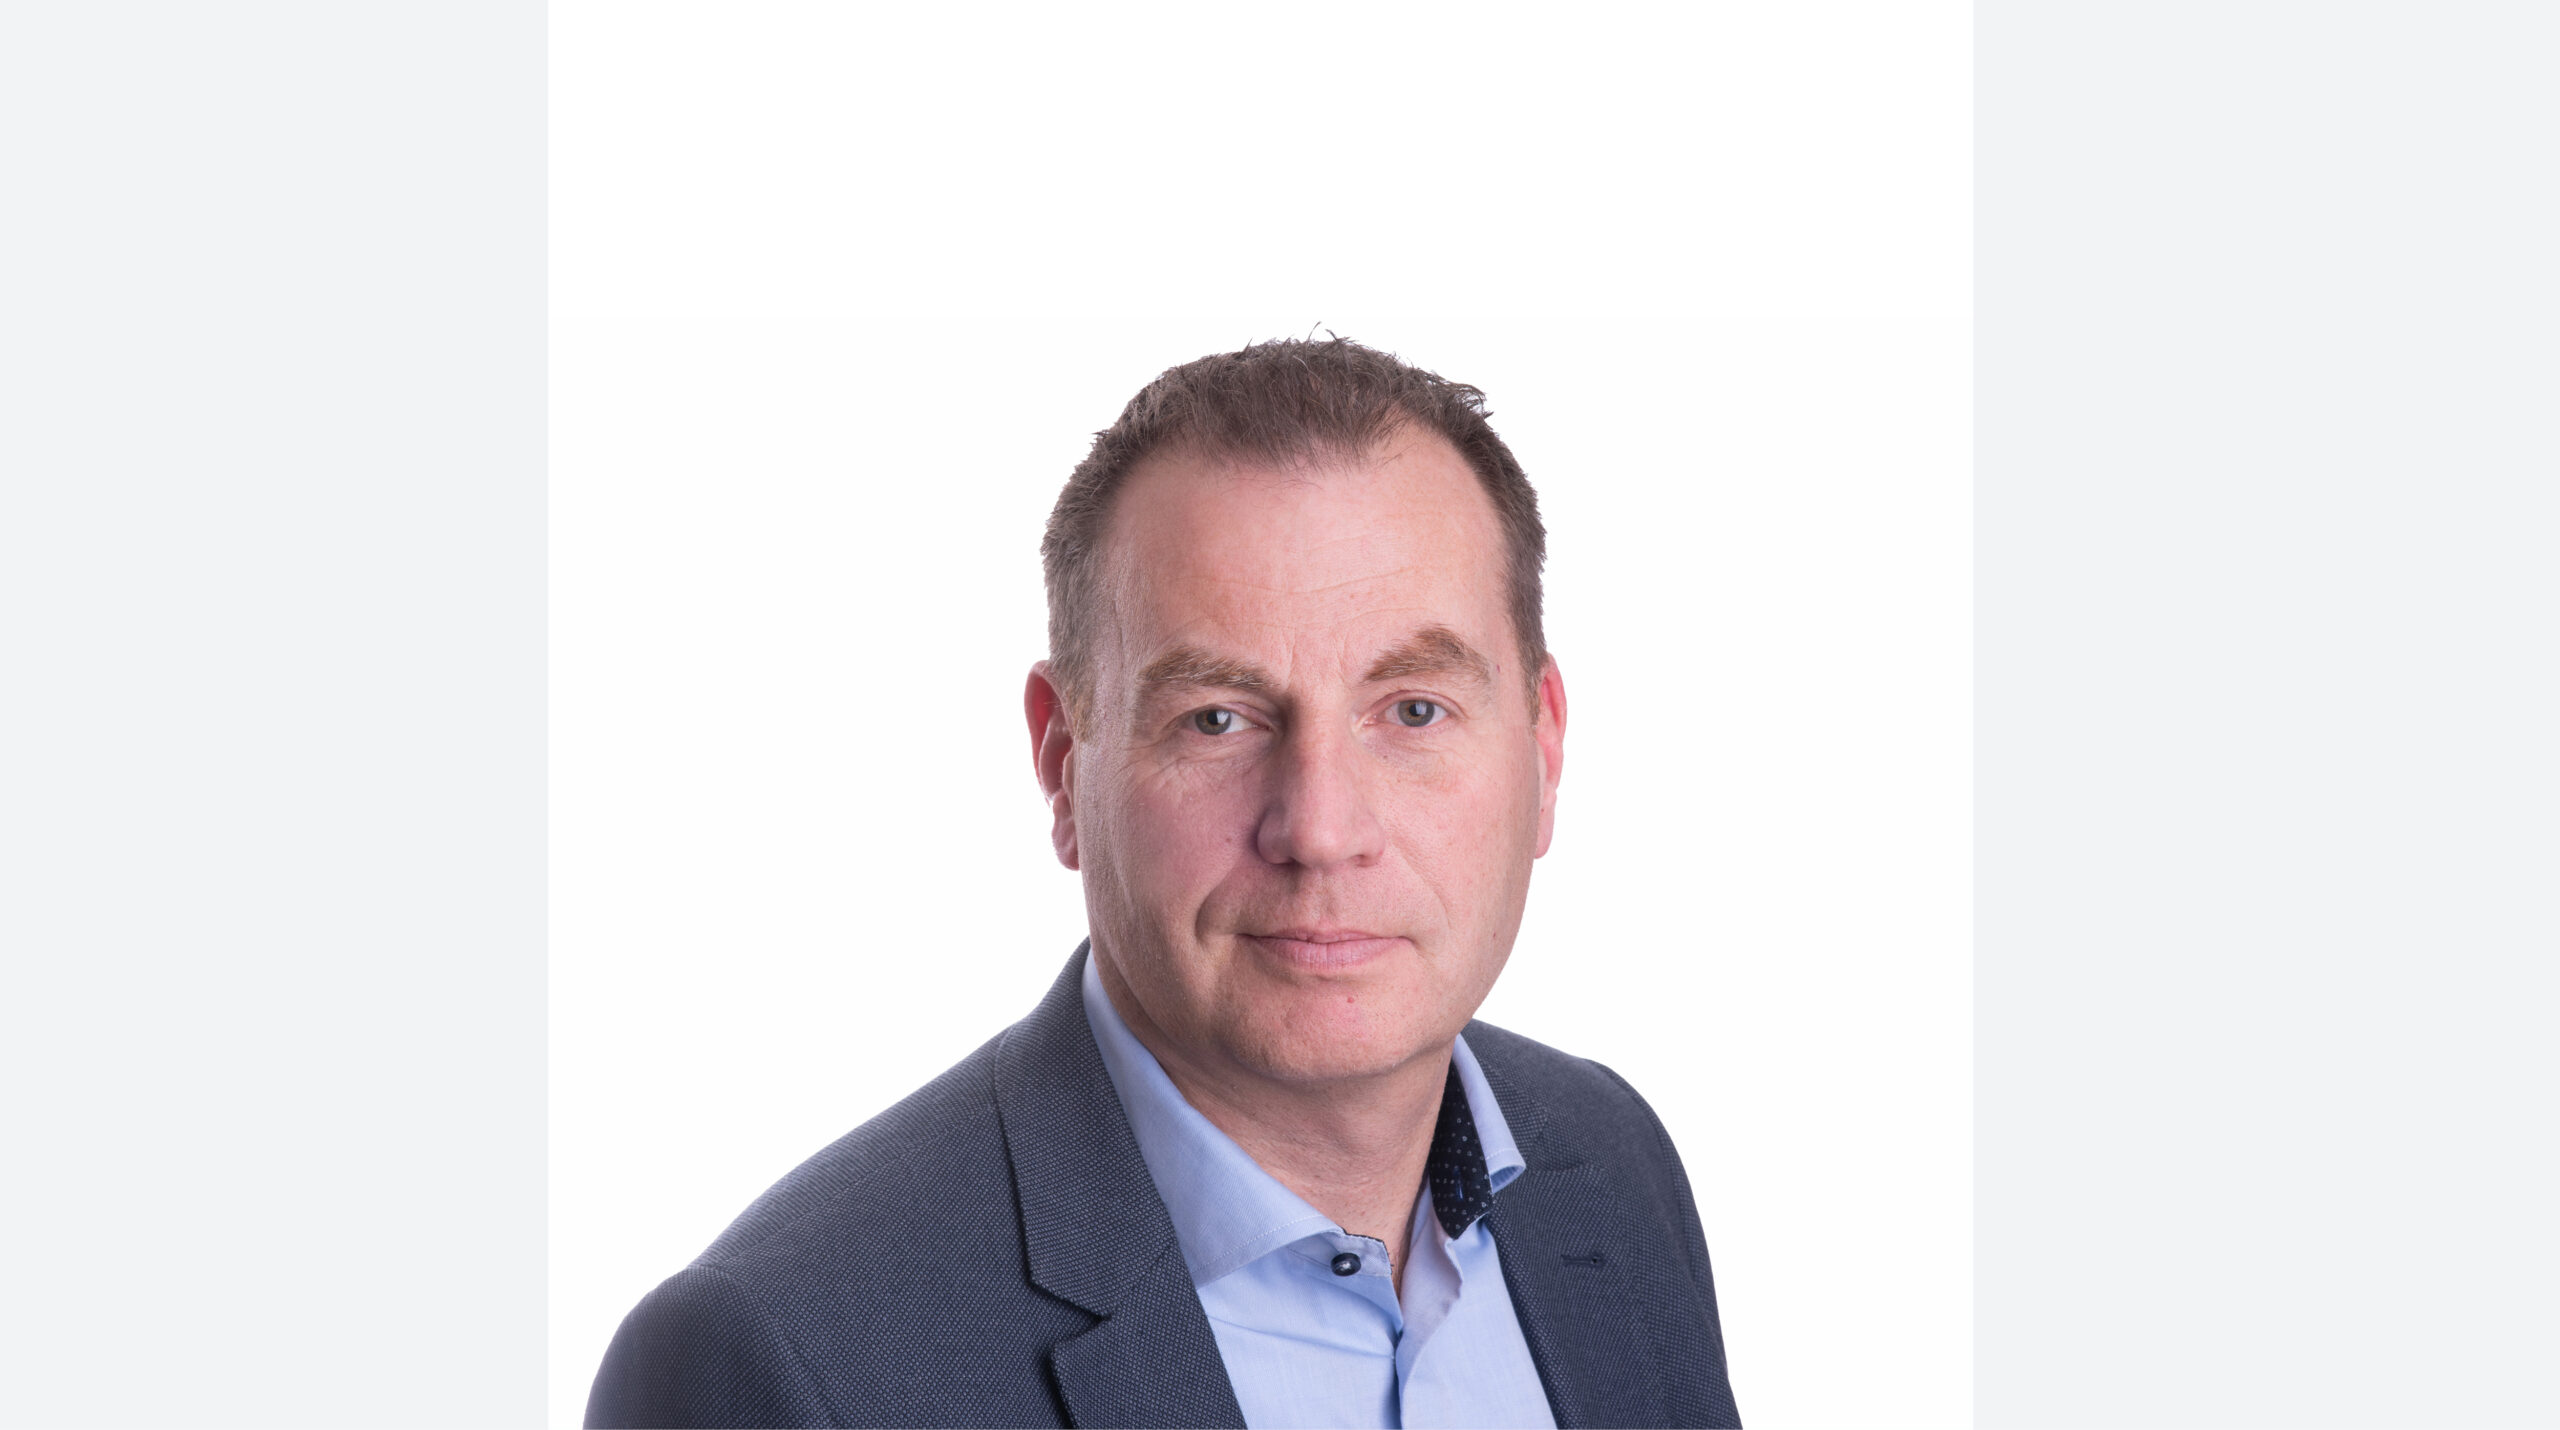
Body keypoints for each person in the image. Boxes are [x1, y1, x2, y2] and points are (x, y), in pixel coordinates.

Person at [586, 338, 1742, 1429]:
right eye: (1216, 718)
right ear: (1061, 761)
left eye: (1414, 709)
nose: (1320, 829)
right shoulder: (784, 1357)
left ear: (1542, 748)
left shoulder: (1609, 1162)